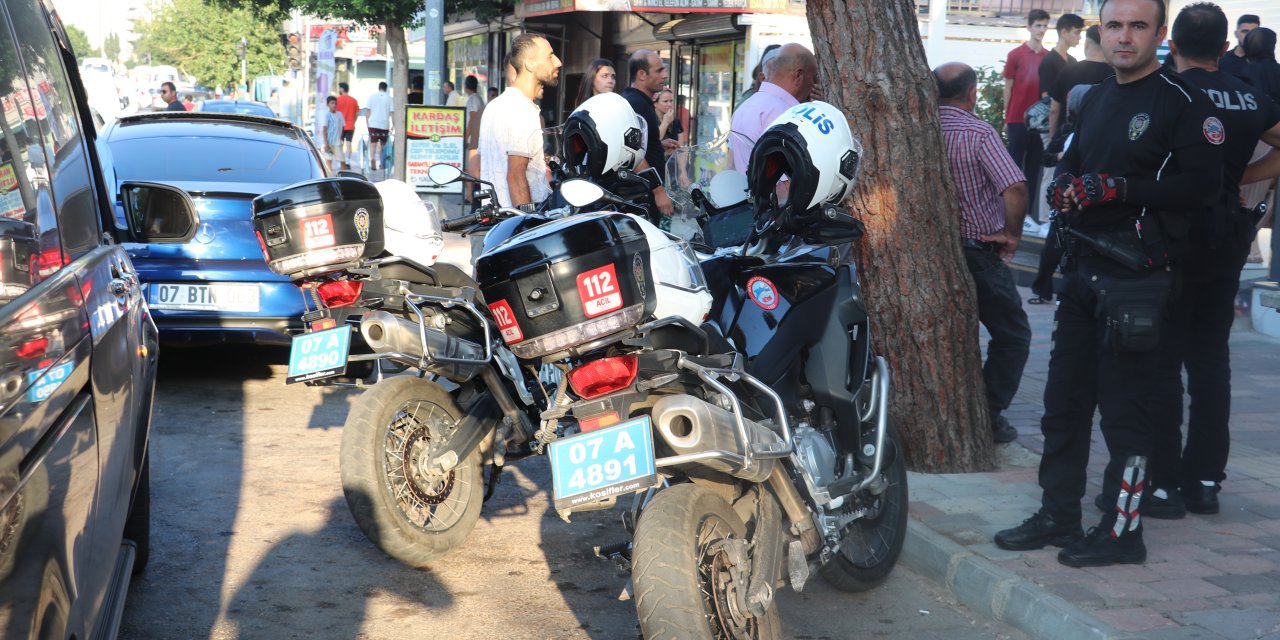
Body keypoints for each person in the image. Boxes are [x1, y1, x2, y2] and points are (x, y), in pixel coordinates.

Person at [994, 0, 1222, 569]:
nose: (1124, 38)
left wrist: (1118, 189)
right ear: (1103, 31)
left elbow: (1201, 188)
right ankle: (1058, 513)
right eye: (1115, 26)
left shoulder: (1187, 103)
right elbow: (1074, 158)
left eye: (1138, 26)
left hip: (1140, 278)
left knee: (1127, 415)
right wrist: (1067, 186)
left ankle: (1124, 533)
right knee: (1063, 405)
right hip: (1081, 271)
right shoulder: (1093, 96)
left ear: (1160, 34)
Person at [1145, 2, 1280, 518]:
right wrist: (1240, 179)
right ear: (1226, 48)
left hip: (1172, 236)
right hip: (1226, 235)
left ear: (1171, 44)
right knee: (1209, 362)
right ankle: (1204, 480)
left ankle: (1163, 483)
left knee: (1163, 361)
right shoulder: (1250, 95)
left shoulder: (1168, 91)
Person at [933, 62, 1032, 445]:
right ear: (972, 93)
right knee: (1014, 334)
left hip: (935, 251)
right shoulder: (977, 131)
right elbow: (1016, 188)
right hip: (978, 250)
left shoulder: (915, 129)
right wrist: (1011, 235)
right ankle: (988, 414)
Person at [1030, 25, 1116, 305]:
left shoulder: (1071, 72)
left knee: (1059, 231)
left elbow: (1054, 108)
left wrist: (1055, 141)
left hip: (1070, 171)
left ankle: (1044, 288)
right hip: (1101, 176)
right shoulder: (1116, 74)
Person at [478, 33, 560, 209]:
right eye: (550, 56)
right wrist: (527, 225)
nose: (558, 62)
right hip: (515, 225)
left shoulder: (494, 106)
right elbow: (516, 174)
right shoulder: (523, 109)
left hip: (497, 222)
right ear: (529, 64)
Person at [729, 43, 818, 172]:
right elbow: (784, 183)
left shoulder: (747, 105)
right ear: (798, 75)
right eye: (813, 78)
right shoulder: (785, 114)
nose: (813, 84)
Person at [1004, 10, 1051, 226]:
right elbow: (1009, 87)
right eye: (1038, 25)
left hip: (1039, 123)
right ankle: (1006, 213)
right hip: (1016, 119)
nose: (1042, 30)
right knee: (1012, 167)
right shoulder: (1015, 54)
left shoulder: (1049, 58)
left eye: (1044, 26)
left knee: (1033, 168)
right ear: (1029, 27)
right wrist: (1007, 117)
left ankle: (1027, 216)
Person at [620, 49, 676, 216]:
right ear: (642, 74)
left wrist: (658, 144)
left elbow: (638, 144)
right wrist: (658, 191)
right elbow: (630, 151)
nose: (664, 75)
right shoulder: (636, 103)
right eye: (659, 70)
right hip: (643, 197)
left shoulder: (640, 101)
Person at [1040, 13, 1085, 102]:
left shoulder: (1073, 60)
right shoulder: (1049, 61)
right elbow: (1046, 97)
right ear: (1064, 33)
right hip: (1054, 113)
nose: (1079, 37)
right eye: (1077, 32)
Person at [1218, 13, 1259, 79]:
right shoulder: (1221, 60)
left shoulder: (1263, 63)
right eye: (1245, 31)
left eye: (1254, 32)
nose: (1249, 36)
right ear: (1236, 33)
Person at [366, 82, 393, 172]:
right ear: (386, 88)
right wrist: (393, 125)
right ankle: (382, 162)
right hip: (384, 125)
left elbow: (368, 111)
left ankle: (372, 160)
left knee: (373, 144)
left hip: (373, 124)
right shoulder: (389, 98)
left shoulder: (372, 97)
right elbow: (392, 113)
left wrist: (367, 123)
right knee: (383, 145)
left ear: (379, 87)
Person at [335, 82, 359, 171]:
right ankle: (348, 161)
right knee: (349, 143)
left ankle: (341, 161)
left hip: (340, 126)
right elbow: (357, 113)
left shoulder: (337, 100)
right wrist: (353, 121)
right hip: (350, 125)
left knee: (340, 144)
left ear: (341, 89)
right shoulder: (354, 100)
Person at [321, 95, 346, 173]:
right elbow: (324, 130)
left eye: (335, 103)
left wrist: (342, 139)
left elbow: (343, 127)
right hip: (330, 142)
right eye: (332, 103)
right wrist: (326, 144)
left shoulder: (340, 114)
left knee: (342, 161)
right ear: (328, 104)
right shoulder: (327, 115)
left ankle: (344, 178)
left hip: (338, 143)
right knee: (329, 162)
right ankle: (330, 178)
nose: (334, 105)